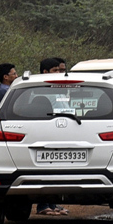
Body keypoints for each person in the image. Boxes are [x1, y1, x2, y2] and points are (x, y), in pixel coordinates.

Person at [37, 56, 68, 215]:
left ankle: (52, 204)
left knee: (57, 171)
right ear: (45, 72)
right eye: (55, 70)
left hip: (61, 132)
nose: (59, 73)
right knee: (46, 170)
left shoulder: (58, 87)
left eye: (60, 70)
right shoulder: (40, 89)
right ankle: (43, 205)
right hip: (47, 133)